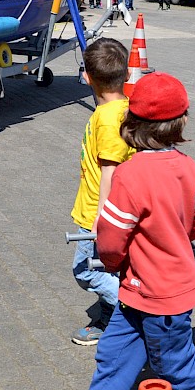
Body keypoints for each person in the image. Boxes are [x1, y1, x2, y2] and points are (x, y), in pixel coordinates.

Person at [43, 72, 195, 390]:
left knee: (177, 363)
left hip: (157, 294)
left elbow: (111, 240)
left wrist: (117, 263)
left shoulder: (131, 174)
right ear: (181, 122)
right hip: (144, 292)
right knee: (114, 357)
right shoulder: (187, 167)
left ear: (131, 123)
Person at [68, 38, 134, 346]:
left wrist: (102, 219)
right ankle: (113, 317)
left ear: (88, 77)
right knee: (109, 270)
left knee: (85, 271)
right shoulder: (118, 110)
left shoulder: (109, 119)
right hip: (96, 209)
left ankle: (136, 309)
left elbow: (111, 170)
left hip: (98, 213)